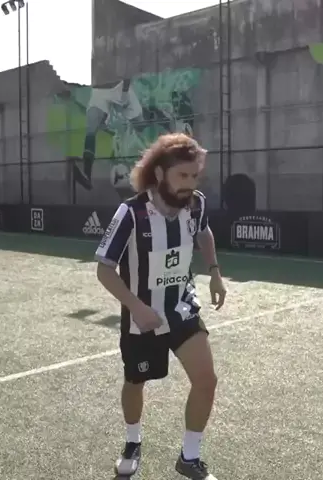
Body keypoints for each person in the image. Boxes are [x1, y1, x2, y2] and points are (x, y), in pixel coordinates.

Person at [95, 133, 227, 480]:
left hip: (182, 308)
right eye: (182, 175)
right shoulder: (131, 212)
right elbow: (104, 270)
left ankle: (189, 457)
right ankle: (132, 442)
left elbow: (204, 232)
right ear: (158, 174)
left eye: (195, 175)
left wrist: (214, 272)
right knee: (135, 382)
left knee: (206, 380)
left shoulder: (196, 204)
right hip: (143, 318)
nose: (190, 183)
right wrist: (136, 307)